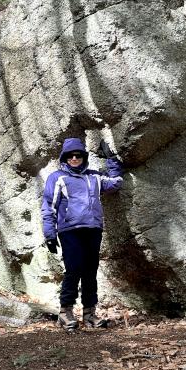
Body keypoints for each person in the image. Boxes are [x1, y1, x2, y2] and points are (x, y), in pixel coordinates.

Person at [41, 137, 123, 330]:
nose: (75, 158)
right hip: (70, 231)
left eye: (78, 155)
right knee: (74, 269)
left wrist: (111, 159)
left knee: (90, 271)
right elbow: (48, 207)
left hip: (93, 229)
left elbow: (116, 183)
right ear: (65, 158)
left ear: (84, 157)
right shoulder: (57, 177)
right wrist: (50, 234)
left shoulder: (94, 176)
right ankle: (65, 312)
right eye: (71, 156)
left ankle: (89, 314)